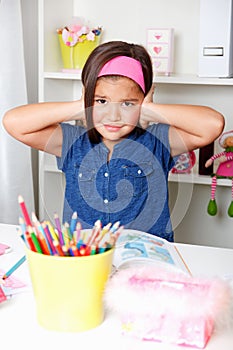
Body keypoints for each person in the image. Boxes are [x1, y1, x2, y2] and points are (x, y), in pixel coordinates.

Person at [3, 40, 224, 242]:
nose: (113, 116)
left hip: (145, 261)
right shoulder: (71, 141)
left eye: (127, 104)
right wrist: (81, 107)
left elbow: (212, 125)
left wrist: (149, 110)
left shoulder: (158, 141)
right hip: (85, 258)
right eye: (102, 101)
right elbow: (14, 122)